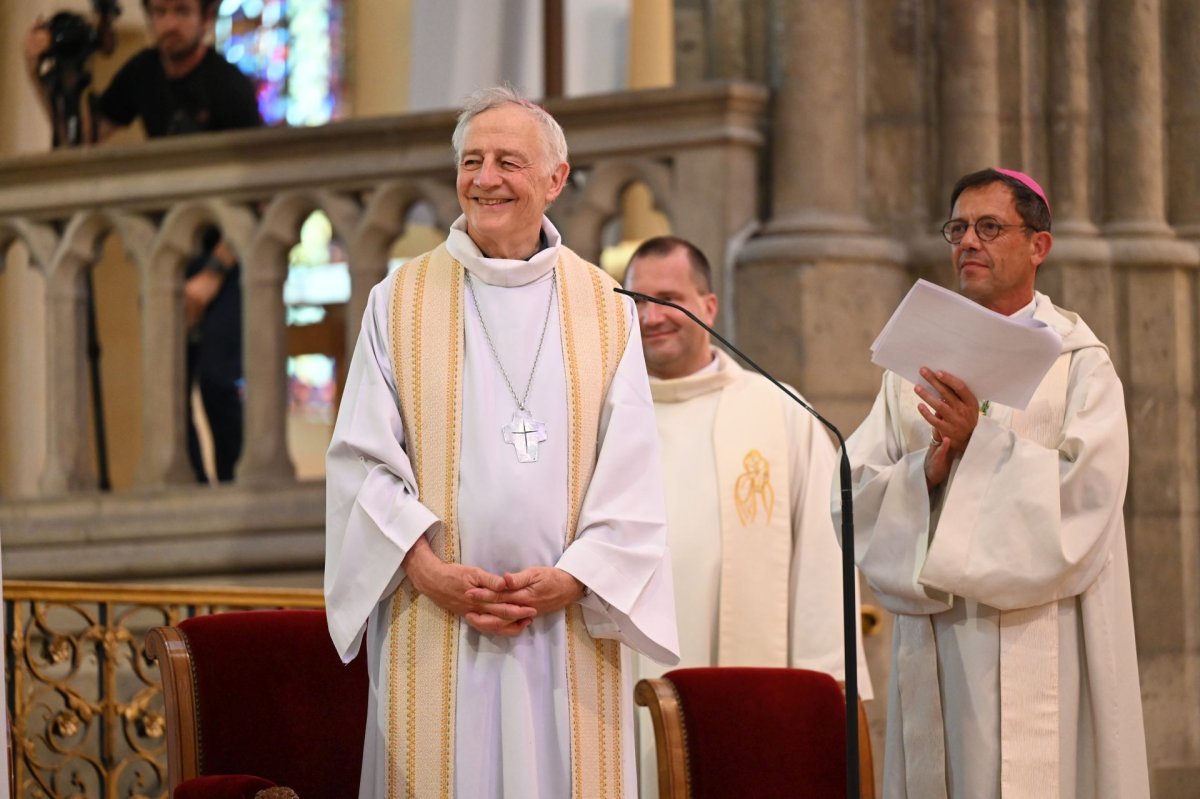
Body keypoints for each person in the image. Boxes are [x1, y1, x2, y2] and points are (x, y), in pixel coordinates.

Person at [324, 86, 679, 799]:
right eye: (471, 160)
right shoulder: (400, 300)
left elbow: (632, 471)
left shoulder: (606, 308)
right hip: (436, 624)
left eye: (508, 161)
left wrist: (576, 577)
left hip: (567, 635)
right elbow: (361, 462)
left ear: (556, 178)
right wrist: (425, 569)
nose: (484, 179)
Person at [841, 168, 1149, 798]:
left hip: (1047, 637)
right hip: (938, 641)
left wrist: (980, 446)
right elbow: (853, 488)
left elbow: (1087, 496)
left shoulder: (1078, 364)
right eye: (958, 228)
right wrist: (924, 472)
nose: (968, 243)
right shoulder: (915, 363)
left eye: (989, 227)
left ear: (1039, 246)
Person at [624, 236, 872, 796]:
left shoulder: (779, 412)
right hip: (624, 681)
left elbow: (822, 556)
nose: (651, 316)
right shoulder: (603, 417)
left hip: (751, 687)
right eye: (637, 301)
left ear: (708, 307)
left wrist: (824, 688)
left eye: (668, 298)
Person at [24, 0, 262, 482]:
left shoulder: (229, 86)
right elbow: (80, 139)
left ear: (204, 18)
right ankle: (194, 503)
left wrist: (213, 276)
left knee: (218, 383)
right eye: (157, 12)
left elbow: (257, 198)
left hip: (235, 254)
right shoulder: (142, 73)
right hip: (171, 255)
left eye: (179, 11)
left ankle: (238, 495)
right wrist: (36, 71)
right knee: (169, 394)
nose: (166, 24)